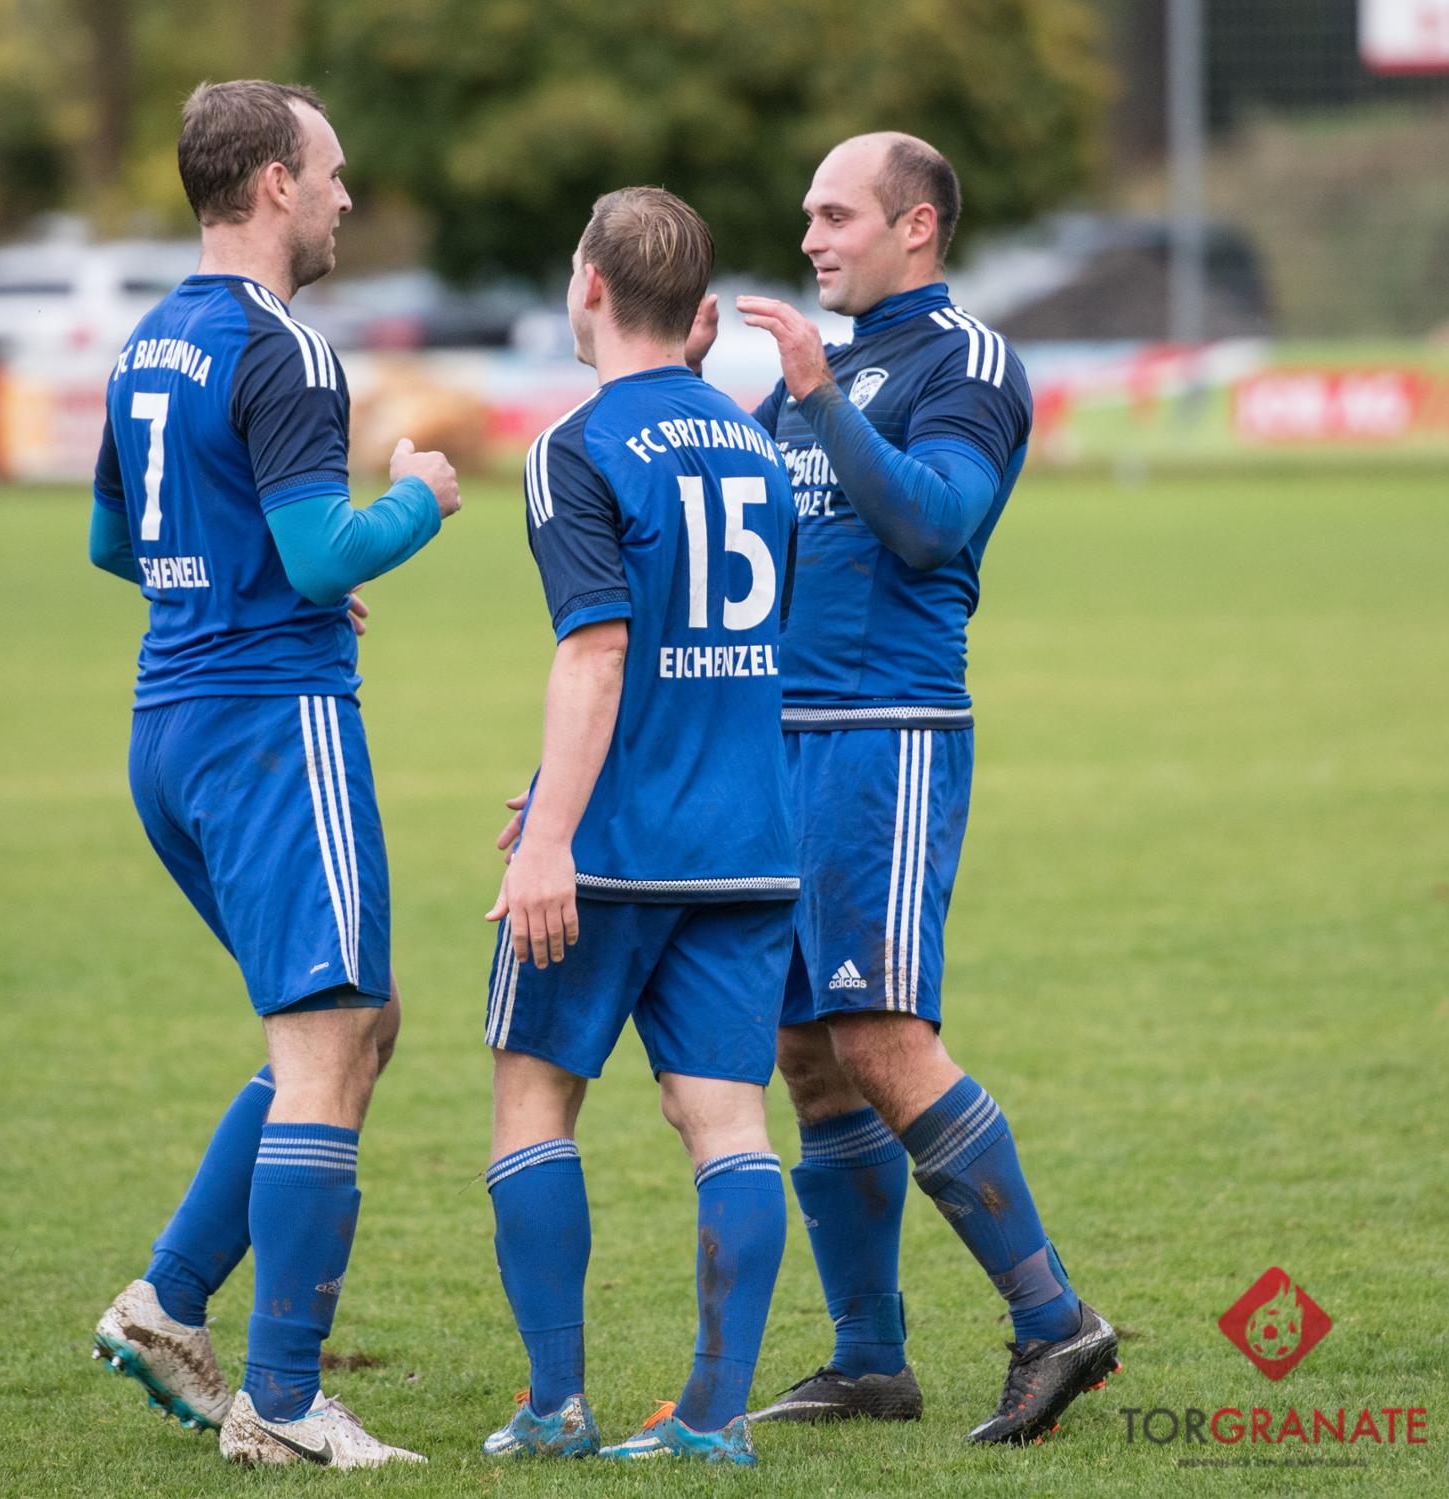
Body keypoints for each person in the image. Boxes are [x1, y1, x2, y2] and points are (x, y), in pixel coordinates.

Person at [686, 132, 1119, 1445]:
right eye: (808, 215)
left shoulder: (964, 361)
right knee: (807, 1048)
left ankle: (1054, 1319)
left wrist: (817, 396)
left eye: (836, 215)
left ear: (915, 225)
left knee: (878, 1032)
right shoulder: (817, 376)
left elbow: (934, 524)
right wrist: (698, 395)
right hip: (784, 738)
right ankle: (870, 1356)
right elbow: (754, 547)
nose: (810, 238)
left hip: (888, 731)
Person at [86, 79, 460, 1470]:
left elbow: (117, 543)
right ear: (273, 185)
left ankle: (168, 1302)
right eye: (333, 171)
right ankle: (287, 1401)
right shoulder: (286, 348)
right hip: (268, 731)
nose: (347, 195)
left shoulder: (149, 342)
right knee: (327, 1036)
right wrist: (418, 497)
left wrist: (253, 576)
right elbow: (318, 554)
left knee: (359, 1017)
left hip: (171, 730)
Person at [478, 187, 799, 1467]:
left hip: (611, 847)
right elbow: (721, 651)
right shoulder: (755, 443)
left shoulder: (576, 443)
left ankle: (556, 1404)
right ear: (697, 309)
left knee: (532, 1099)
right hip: (748, 837)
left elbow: (601, 651)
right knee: (726, 1119)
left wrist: (551, 831)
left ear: (592, 286)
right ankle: (713, 1418)